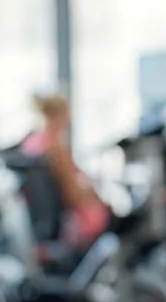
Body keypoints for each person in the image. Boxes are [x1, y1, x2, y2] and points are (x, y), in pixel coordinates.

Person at [20, 93, 110, 249]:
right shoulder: (55, 149)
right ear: (61, 115)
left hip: (39, 219)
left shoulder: (31, 142)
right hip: (67, 220)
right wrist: (98, 199)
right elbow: (71, 193)